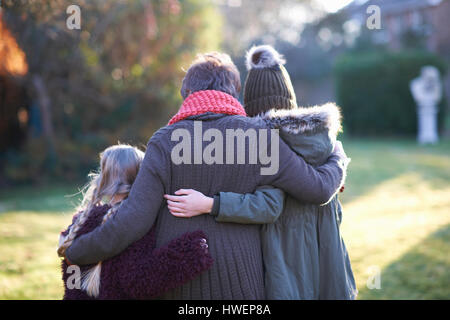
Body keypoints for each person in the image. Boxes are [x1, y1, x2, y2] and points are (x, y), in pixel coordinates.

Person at [64, 52, 349, 299]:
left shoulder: (165, 141)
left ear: (187, 94)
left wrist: (77, 250)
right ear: (233, 92)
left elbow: (132, 220)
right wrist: (338, 158)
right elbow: (319, 189)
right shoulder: (260, 138)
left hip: (177, 282)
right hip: (242, 285)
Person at [166, 45, 357, 300]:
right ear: (290, 98)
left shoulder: (263, 144)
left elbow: (268, 205)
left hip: (286, 267)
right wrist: (338, 161)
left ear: (250, 106)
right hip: (329, 265)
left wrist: (210, 204)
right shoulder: (323, 143)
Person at [58, 144, 213, 299]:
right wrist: (190, 251)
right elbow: (139, 282)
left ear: (102, 179)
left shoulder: (79, 223)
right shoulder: (136, 222)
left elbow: (72, 281)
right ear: (143, 180)